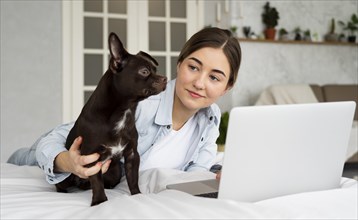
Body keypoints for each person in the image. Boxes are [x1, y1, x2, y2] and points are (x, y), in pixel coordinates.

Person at [7, 27, 242, 184]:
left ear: (227, 86)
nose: (199, 83)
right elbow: (60, 137)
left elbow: (195, 172)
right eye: (193, 67)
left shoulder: (211, 118)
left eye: (214, 77)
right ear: (179, 64)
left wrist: (216, 177)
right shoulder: (141, 102)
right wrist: (65, 161)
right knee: (21, 158)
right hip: (44, 162)